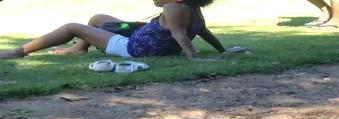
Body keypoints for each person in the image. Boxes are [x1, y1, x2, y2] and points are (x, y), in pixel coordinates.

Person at [0, 0, 225, 60]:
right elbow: (203, 32)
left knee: (71, 27)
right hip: (138, 33)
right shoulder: (192, 8)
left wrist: (193, 58)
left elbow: (179, 35)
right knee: (98, 18)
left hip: (133, 47)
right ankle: (80, 48)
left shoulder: (172, 7)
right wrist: (223, 51)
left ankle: (20, 52)